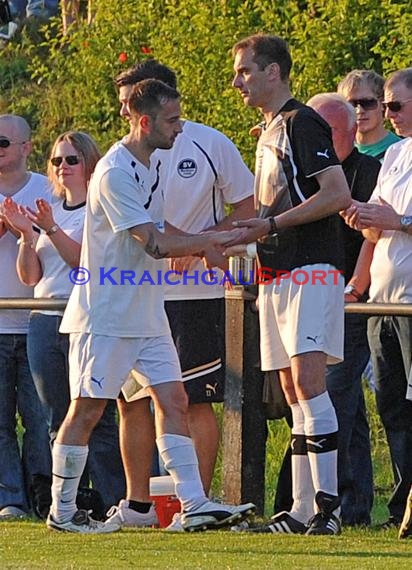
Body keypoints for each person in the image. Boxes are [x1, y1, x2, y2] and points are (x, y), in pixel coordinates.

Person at [46, 79, 254, 533]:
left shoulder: (151, 162)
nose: (180, 128)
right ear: (145, 121)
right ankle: (61, 513)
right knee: (86, 409)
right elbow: (154, 243)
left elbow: (161, 225)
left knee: (174, 398)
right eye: (173, 120)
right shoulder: (115, 171)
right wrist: (207, 243)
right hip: (106, 314)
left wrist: (208, 243)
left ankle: (193, 503)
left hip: (146, 311)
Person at [104, 59, 255, 531]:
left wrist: (207, 242)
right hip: (136, 294)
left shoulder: (208, 141)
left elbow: (248, 206)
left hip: (194, 294)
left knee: (191, 399)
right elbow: (143, 231)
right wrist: (178, 243)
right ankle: (139, 504)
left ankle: (199, 501)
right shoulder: (119, 159)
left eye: (134, 101)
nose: (128, 112)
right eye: (125, 104)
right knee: (131, 400)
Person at [230, 33, 351, 535]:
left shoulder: (303, 122)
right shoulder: (267, 131)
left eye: (245, 71)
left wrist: (272, 227)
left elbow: (337, 193)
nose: (238, 81)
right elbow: (266, 209)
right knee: (288, 388)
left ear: (273, 71)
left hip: (311, 267)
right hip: (275, 271)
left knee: (307, 382)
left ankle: (329, 508)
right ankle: (302, 508)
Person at [2, 130, 126, 518]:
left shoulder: (99, 206)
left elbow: (83, 263)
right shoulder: (50, 207)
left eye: (72, 159)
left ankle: (110, 500)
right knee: (56, 420)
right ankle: (67, 504)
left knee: (98, 416)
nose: (63, 167)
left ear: (89, 162)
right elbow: (30, 276)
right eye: (56, 160)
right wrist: (26, 236)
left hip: (88, 319)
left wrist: (50, 229)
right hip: (44, 319)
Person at [342, 67, 412, 529]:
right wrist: (363, 219)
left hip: (410, 302)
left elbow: (397, 221)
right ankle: (403, 503)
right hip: (382, 302)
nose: (386, 113)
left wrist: (395, 221)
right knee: (391, 407)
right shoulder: (396, 154)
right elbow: (378, 228)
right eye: (383, 104)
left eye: (394, 105)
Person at [306, 93, 380, 525]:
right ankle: (353, 504)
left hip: (352, 299)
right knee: (344, 406)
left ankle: (334, 501)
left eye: (326, 130)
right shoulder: (308, 171)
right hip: (314, 294)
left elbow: (374, 237)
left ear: (348, 131)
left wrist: (354, 288)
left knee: (334, 395)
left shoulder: (370, 172)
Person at [0, 114, 51, 519]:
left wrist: (30, 230)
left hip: (38, 319)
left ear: (26, 147)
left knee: (40, 419)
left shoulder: (47, 188)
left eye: (3, 141)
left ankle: (43, 497)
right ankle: (9, 499)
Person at [337, 69, 400, 162]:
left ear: (383, 104)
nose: (359, 110)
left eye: (368, 103)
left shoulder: (401, 152)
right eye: (351, 104)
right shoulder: (337, 153)